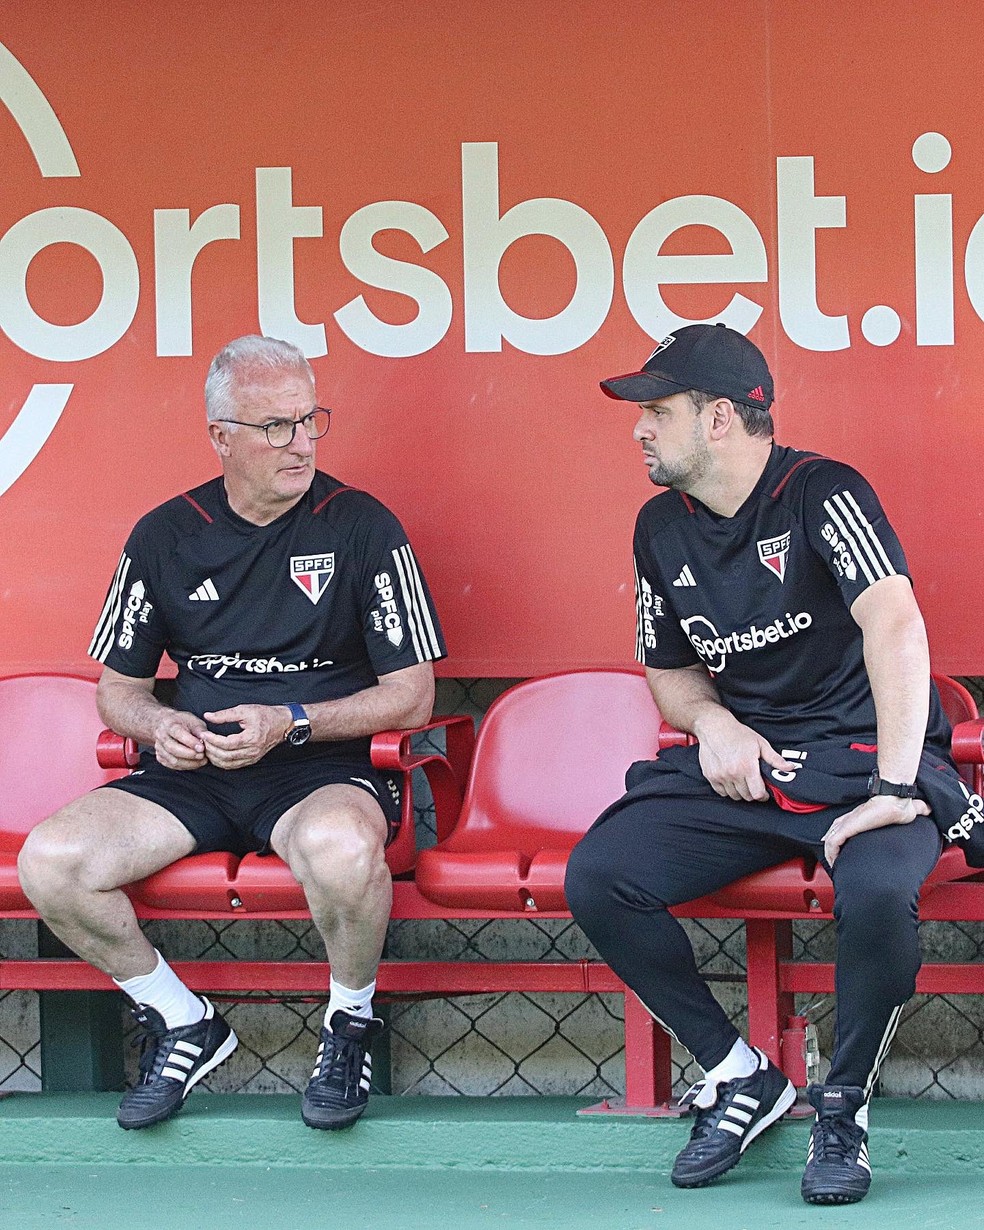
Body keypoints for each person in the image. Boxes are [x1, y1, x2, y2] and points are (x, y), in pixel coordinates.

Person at [564, 323, 967, 1205]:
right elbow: (668, 671)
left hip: (868, 761)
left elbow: (896, 626)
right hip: (751, 765)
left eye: (656, 411)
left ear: (718, 419)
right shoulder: (657, 526)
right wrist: (712, 724)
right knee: (599, 874)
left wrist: (898, 787)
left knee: (872, 891)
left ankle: (844, 1106)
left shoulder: (822, 492)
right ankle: (740, 1074)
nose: (638, 429)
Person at [18, 335, 446, 1131]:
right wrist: (161, 725)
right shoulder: (163, 535)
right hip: (197, 773)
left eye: (310, 420)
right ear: (222, 436)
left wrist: (292, 723)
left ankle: (349, 1024)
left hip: (318, 769)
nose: (302, 442)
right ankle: (181, 1019)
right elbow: (120, 693)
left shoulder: (362, 526)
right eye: (276, 426)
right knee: (50, 861)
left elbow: (413, 696)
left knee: (344, 851)